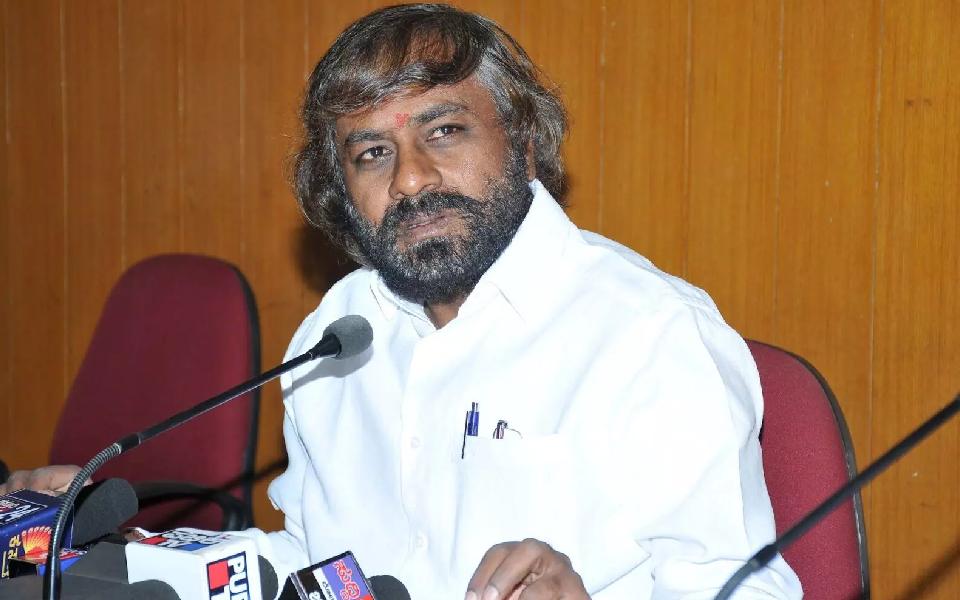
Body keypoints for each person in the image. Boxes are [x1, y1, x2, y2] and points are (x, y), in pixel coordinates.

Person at [2, 5, 802, 599]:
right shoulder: (339, 332)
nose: (411, 179)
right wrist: (120, 551)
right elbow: (319, 567)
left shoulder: (648, 335)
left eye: (445, 131)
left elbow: (750, 592)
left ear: (524, 143)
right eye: (373, 153)